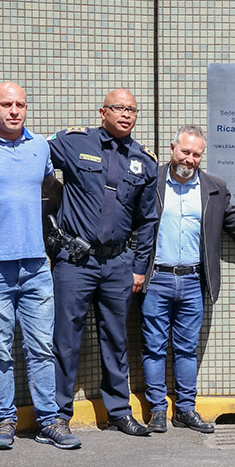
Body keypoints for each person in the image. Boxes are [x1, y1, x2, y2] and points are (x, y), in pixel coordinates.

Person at [0, 82, 80, 451]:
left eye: (20, 105)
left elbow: (48, 186)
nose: (14, 111)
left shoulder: (39, 146)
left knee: (41, 346)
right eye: (6, 104)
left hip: (35, 264)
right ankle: (6, 419)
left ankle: (49, 420)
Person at [46, 89, 158, 437]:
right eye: (119, 108)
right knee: (66, 339)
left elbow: (148, 220)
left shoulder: (144, 161)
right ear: (103, 112)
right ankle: (59, 414)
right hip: (75, 262)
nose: (126, 114)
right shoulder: (73, 143)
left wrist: (139, 267)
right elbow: (30, 151)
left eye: (132, 110)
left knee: (116, 339)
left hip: (117, 265)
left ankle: (119, 411)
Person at [141, 125, 235, 434]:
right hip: (157, 279)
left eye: (196, 154)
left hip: (193, 281)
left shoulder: (213, 187)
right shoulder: (151, 180)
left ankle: (185, 409)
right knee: (153, 347)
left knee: (186, 348)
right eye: (185, 151)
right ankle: (156, 410)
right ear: (172, 148)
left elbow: (234, 221)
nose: (190, 158)